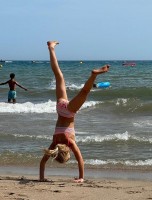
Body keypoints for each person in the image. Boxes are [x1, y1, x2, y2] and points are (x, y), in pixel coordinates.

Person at [39, 41, 110, 183]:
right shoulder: (54, 143)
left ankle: (94, 75)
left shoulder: (69, 142)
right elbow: (42, 163)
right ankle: (51, 48)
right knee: (58, 75)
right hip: (60, 107)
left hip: (69, 111)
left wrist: (81, 177)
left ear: (67, 152)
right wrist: (41, 178)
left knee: (85, 92)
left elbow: (80, 160)